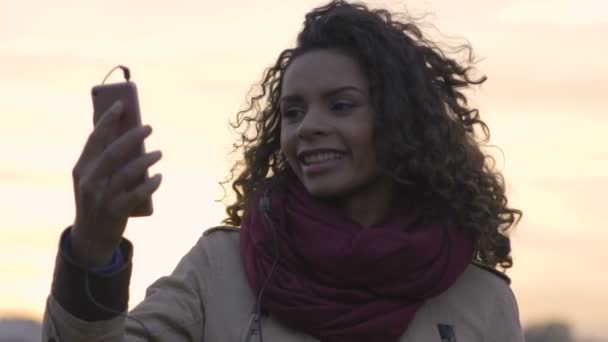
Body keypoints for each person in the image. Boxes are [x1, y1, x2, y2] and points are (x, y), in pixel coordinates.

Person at [42, 1, 524, 341]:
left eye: (340, 105)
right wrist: (92, 248)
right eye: (293, 112)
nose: (308, 127)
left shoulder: (480, 299)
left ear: (401, 121)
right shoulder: (220, 269)